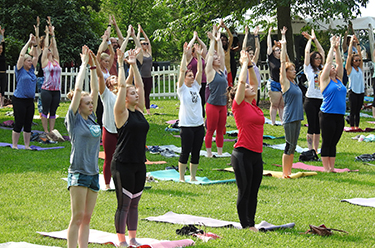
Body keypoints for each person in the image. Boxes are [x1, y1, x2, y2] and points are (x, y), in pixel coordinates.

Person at [111, 48, 149, 247]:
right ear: (125, 97)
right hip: (122, 163)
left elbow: (141, 87)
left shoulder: (140, 111)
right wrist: (120, 64)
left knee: (135, 202)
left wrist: (134, 65)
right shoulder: (121, 113)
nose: (135, 94)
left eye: (135, 93)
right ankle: (122, 240)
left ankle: (133, 238)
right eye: (131, 93)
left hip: (138, 163)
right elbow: (124, 86)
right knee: (124, 204)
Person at [64, 46, 100, 248]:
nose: (91, 104)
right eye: (87, 103)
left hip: (93, 173)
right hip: (78, 173)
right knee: (77, 217)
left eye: (91, 103)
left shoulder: (92, 118)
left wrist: (94, 67)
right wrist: (84, 65)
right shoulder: (74, 120)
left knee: (87, 218)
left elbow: (94, 90)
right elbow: (79, 90)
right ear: (79, 106)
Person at [228, 50, 264, 232]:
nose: (251, 88)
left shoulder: (253, 105)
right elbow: (242, 82)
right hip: (242, 153)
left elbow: (254, 82)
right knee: (245, 190)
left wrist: (250, 65)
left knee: (254, 191)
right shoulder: (239, 106)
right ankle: (246, 225)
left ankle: (252, 221)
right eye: (248, 89)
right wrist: (242, 63)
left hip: (257, 154)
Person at [99, 24, 135, 191]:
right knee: (108, 158)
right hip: (109, 130)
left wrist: (132, 64)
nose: (114, 78)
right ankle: (107, 184)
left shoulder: (122, 91)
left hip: (122, 130)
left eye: (115, 77)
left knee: (121, 158)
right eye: (111, 78)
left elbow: (129, 78)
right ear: (108, 83)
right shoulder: (105, 93)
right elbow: (99, 77)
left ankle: (121, 182)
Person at [177, 43, 205, 182]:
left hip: (199, 125)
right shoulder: (182, 89)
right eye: (189, 76)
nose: (192, 77)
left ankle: (193, 177)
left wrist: (199, 56)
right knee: (185, 151)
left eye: (192, 75)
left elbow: (200, 71)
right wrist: (184, 54)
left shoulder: (195, 86)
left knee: (196, 152)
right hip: (186, 125)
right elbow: (182, 70)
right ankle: (182, 177)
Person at [279, 34, 304, 178]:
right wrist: (283, 44)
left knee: (294, 145)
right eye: (292, 70)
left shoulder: (294, 83)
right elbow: (283, 63)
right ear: (287, 73)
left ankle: (289, 171)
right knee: (288, 144)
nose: (295, 71)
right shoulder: (286, 83)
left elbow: (287, 62)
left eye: (295, 69)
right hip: (289, 117)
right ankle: (284, 173)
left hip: (298, 117)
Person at [319, 36, 345, 172]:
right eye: (332, 68)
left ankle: (332, 167)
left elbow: (340, 63)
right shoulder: (325, 80)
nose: (334, 68)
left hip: (339, 115)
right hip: (327, 115)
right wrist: (330, 46)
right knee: (327, 141)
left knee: (334, 142)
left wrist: (337, 48)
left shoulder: (339, 79)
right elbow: (329, 63)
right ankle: (326, 168)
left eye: (334, 68)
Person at [12, 33, 39, 149]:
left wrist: (35, 45)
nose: (30, 62)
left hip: (29, 100)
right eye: (28, 61)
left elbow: (36, 56)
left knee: (28, 123)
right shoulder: (19, 70)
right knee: (19, 122)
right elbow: (22, 54)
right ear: (23, 62)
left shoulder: (32, 71)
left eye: (30, 61)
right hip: (19, 100)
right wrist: (29, 41)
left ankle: (27, 145)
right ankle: (15, 145)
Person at [205, 24, 227, 158]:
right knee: (210, 130)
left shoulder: (221, 70)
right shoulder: (210, 72)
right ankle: (208, 152)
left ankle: (219, 152)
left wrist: (218, 41)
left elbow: (222, 56)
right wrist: (212, 40)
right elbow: (209, 57)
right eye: (216, 59)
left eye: (218, 59)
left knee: (220, 130)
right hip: (212, 105)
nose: (218, 59)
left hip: (223, 105)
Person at [302, 29, 325, 152]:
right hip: (310, 99)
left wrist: (315, 39)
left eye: (319, 59)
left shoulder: (322, 68)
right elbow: (306, 52)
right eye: (316, 58)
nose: (319, 60)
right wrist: (310, 40)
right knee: (312, 125)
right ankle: (310, 149)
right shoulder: (308, 69)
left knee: (318, 127)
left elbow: (322, 52)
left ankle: (316, 149)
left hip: (321, 99)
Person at [40, 20, 62, 137]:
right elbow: (46, 46)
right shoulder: (44, 62)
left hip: (56, 90)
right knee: (45, 110)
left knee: (53, 111)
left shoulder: (56, 60)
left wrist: (52, 33)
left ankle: (52, 130)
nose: (50, 49)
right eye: (48, 48)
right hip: (46, 90)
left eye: (50, 48)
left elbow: (55, 46)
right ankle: (45, 130)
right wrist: (47, 34)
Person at [267, 26, 287, 125]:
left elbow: (285, 47)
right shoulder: (271, 58)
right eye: (277, 50)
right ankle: (273, 122)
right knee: (274, 104)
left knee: (282, 105)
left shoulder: (282, 60)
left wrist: (283, 35)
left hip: (282, 83)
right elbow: (269, 46)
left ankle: (282, 121)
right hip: (274, 83)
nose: (279, 52)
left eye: (280, 50)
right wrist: (269, 34)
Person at [186, 31, 207, 118]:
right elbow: (188, 47)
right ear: (192, 52)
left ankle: (201, 119)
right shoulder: (190, 58)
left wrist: (198, 39)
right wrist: (194, 38)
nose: (199, 51)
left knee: (201, 102)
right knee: (193, 101)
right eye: (196, 50)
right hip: (192, 83)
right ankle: (192, 116)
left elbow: (205, 47)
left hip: (202, 82)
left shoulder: (201, 57)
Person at [346, 35, 364, 130]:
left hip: (360, 91)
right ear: (352, 61)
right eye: (356, 60)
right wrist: (350, 43)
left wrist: (358, 43)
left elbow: (360, 54)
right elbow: (349, 55)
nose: (358, 61)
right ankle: (352, 126)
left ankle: (357, 126)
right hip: (353, 91)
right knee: (352, 111)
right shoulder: (350, 69)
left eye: (359, 60)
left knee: (358, 111)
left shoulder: (360, 68)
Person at [242, 26, 261, 106]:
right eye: (250, 54)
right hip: (248, 88)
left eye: (252, 54)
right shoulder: (245, 63)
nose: (252, 55)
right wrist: (246, 34)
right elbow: (243, 48)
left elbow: (258, 48)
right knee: (248, 105)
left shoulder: (253, 62)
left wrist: (256, 36)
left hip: (257, 87)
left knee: (256, 105)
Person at [137, 24, 153, 115]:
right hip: (141, 76)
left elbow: (149, 41)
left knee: (147, 94)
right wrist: (139, 32)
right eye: (144, 44)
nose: (146, 45)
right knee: (140, 94)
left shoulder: (149, 53)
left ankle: (148, 111)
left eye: (146, 44)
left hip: (149, 76)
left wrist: (143, 32)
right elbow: (137, 42)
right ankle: (140, 110)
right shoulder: (140, 53)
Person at [219, 20, 233, 87]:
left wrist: (226, 28)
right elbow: (214, 36)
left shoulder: (227, 49)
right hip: (221, 72)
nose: (224, 42)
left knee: (230, 88)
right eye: (222, 40)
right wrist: (219, 26)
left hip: (228, 72)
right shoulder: (218, 48)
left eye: (225, 40)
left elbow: (231, 37)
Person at [0, 25, 6, 108]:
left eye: (1, 48)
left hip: (4, 73)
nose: (1, 49)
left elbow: (3, 44)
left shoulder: (3, 54)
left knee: (3, 90)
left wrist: (2, 34)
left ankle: (2, 104)